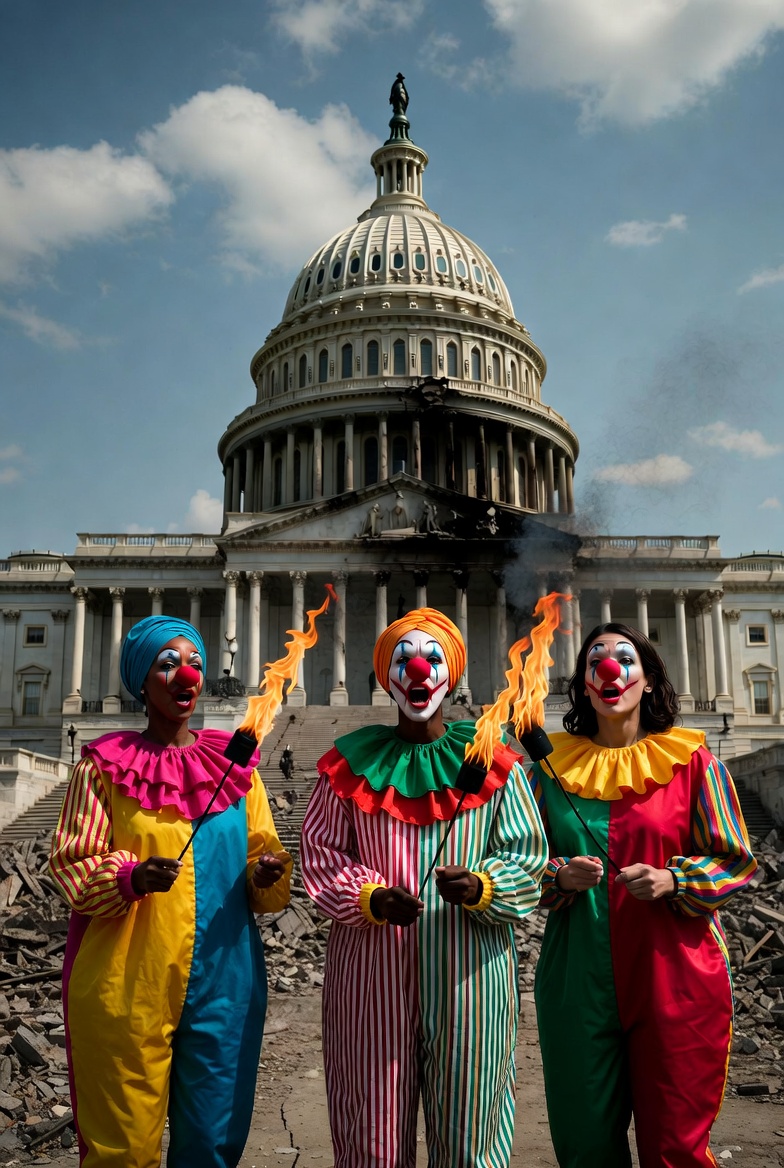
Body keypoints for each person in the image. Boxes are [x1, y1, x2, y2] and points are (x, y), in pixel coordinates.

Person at [299, 607, 547, 1168]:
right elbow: (320, 853)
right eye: (403, 659)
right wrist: (370, 897)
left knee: (471, 1133)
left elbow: (527, 858)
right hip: (368, 982)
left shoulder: (494, 761)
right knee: (373, 1135)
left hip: (471, 983)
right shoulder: (347, 764)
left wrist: (482, 886)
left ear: (452, 675)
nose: (418, 670)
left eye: (433, 658)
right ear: (385, 675)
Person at [49, 616, 292, 1168]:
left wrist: (268, 874)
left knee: (210, 1145)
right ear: (142, 681)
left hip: (226, 981)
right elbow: (69, 865)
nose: (187, 675)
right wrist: (129, 878)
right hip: (125, 983)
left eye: (196, 664)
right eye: (169, 663)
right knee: (124, 1151)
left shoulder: (238, 768)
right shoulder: (101, 769)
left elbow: (264, 853)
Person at [528, 622, 757, 1168]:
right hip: (576, 980)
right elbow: (518, 864)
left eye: (625, 659)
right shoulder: (548, 772)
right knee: (584, 1145)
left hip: (677, 979)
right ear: (584, 685)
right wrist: (557, 876)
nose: (610, 669)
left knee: (674, 1148)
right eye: (595, 661)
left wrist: (674, 880)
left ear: (649, 680)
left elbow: (735, 859)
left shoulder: (693, 762)